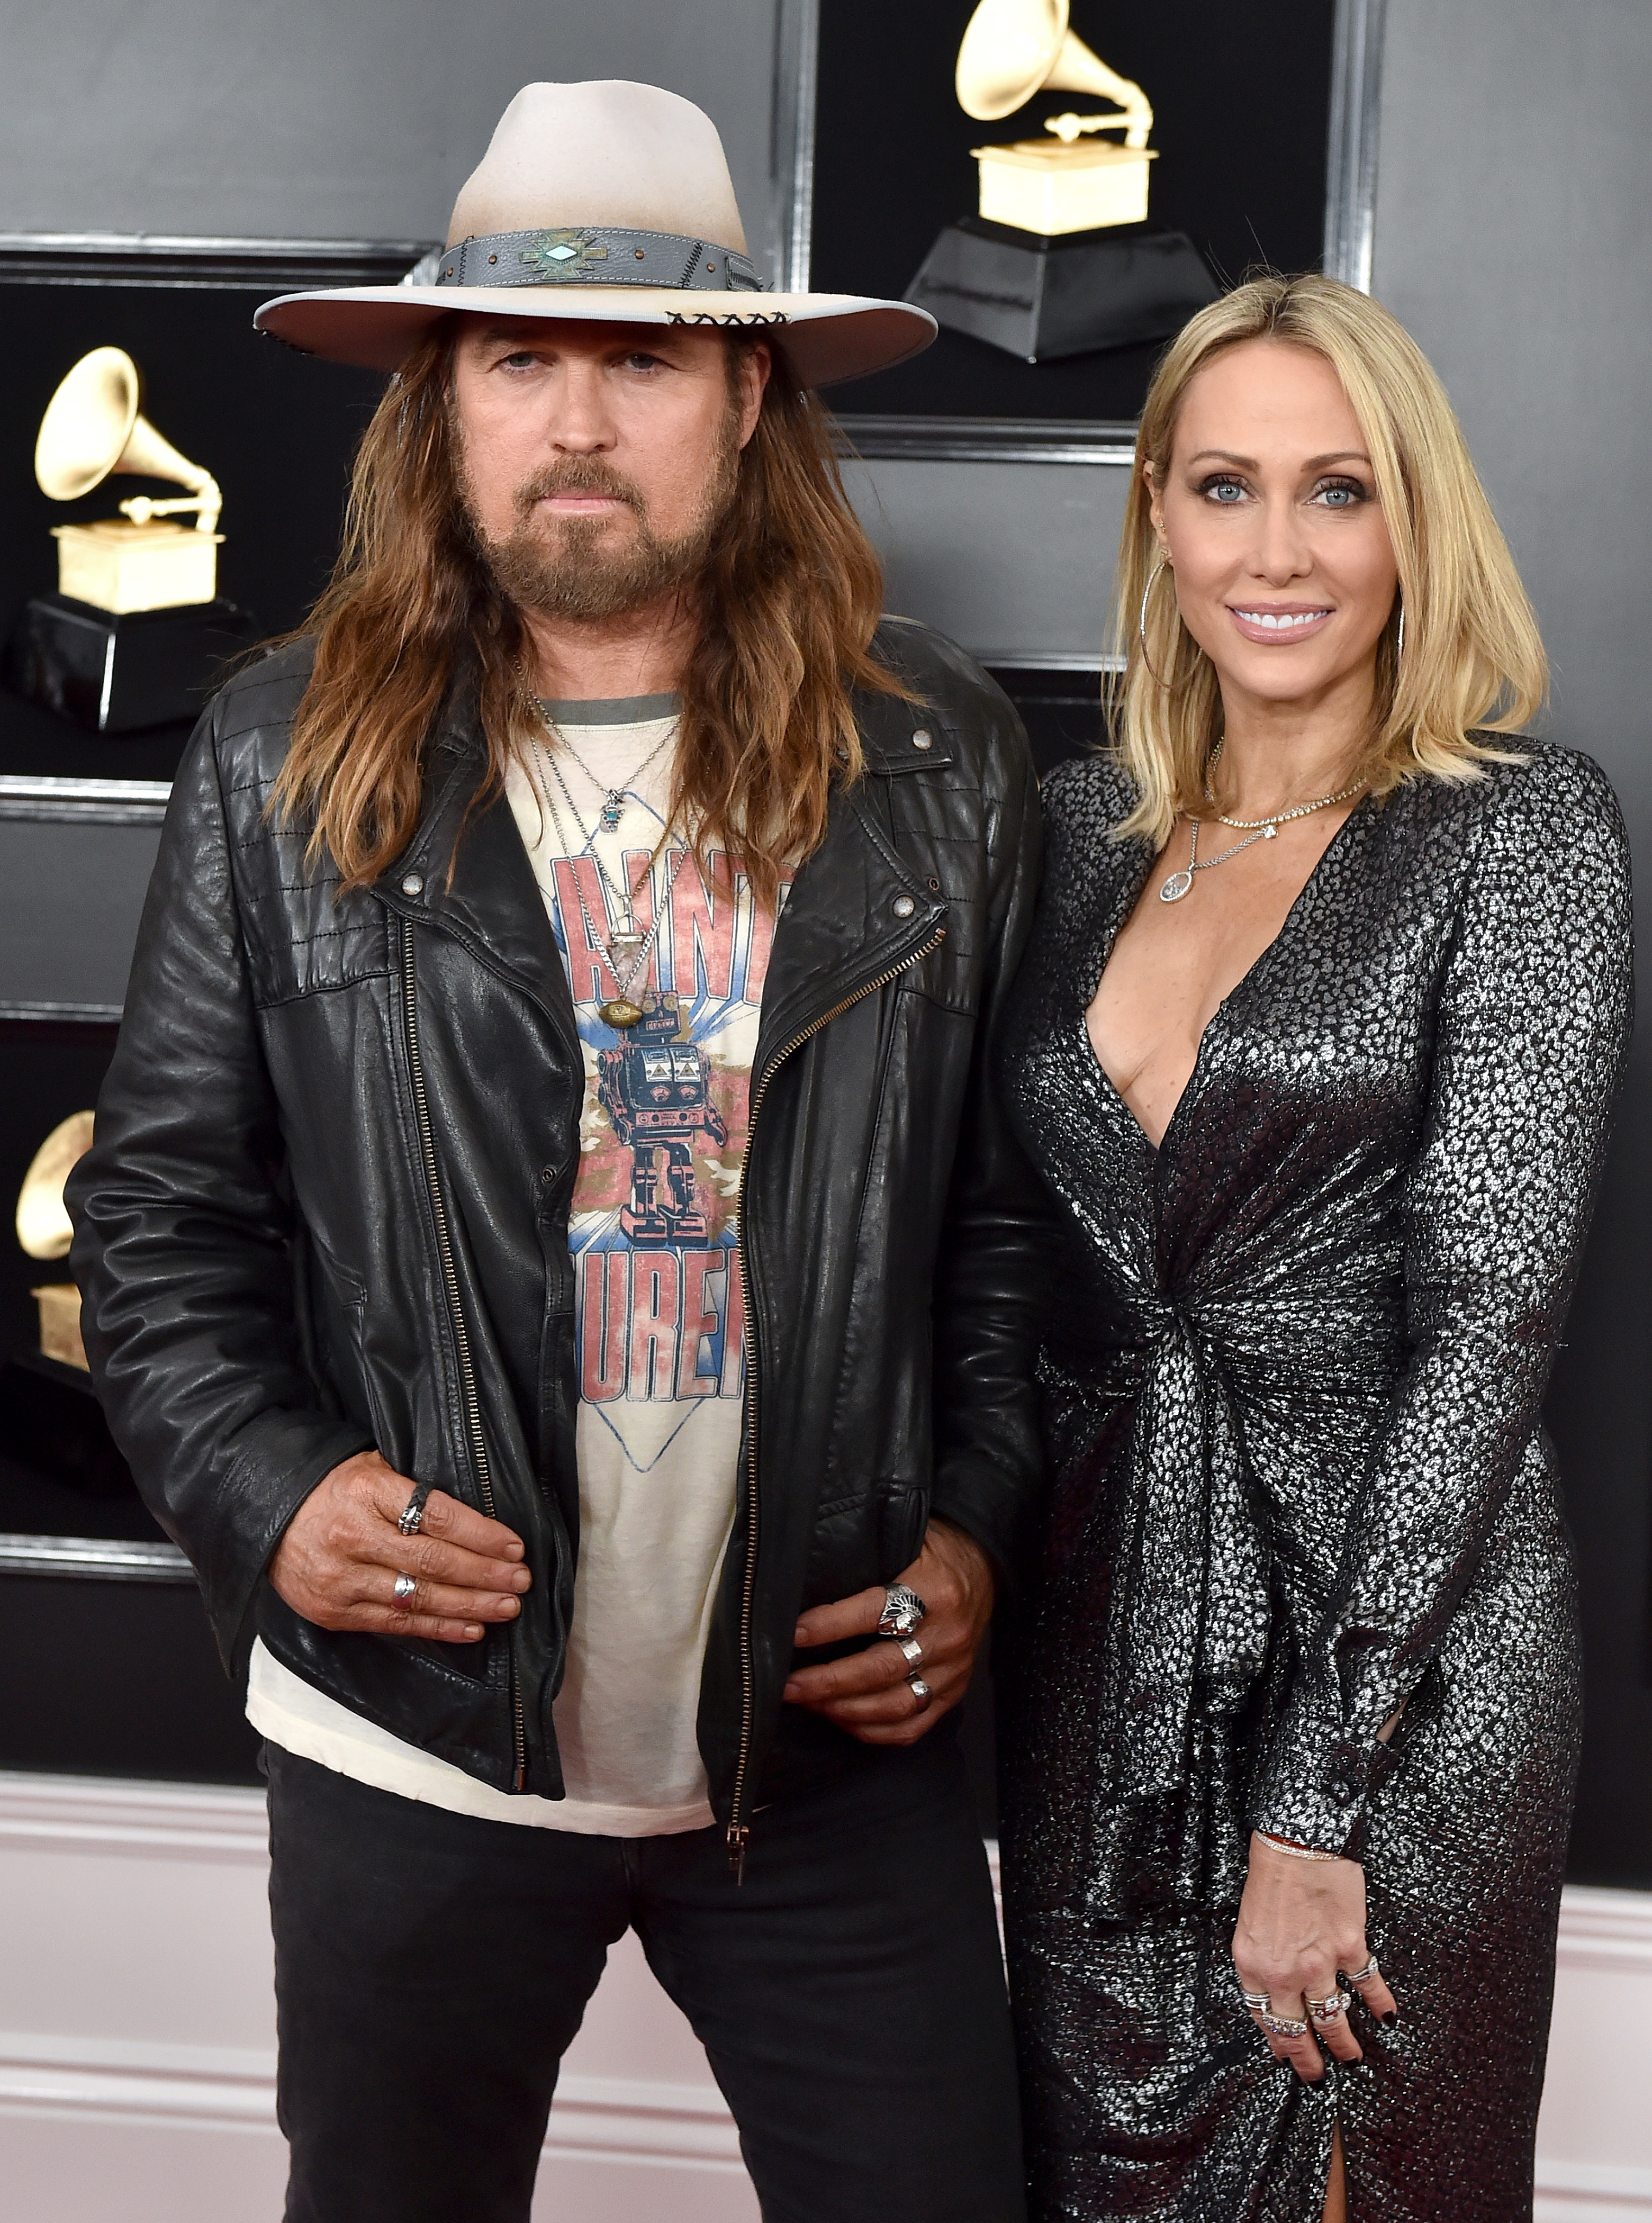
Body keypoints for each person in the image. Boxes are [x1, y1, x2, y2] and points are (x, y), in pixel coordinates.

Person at [68, 80, 1045, 2223]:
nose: (578, 421)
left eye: (643, 360)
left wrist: (967, 1525)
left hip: (823, 1753)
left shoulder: (939, 760)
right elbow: (156, 1221)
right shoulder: (275, 757)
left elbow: (993, 1225)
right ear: (441, 404)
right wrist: (270, 1488)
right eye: (518, 355)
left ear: (749, 395)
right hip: (411, 1740)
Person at [996, 273, 1632, 2222]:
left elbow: (1488, 1326)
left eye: (1336, 492)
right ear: (1157, 521)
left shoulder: (1516, 836)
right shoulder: (1075, 825)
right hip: (1099, 1647)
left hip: (1401, 1669)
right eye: (1223, 487)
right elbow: (1009, 1274)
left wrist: (1315, 1797)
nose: (1275, 552)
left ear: (1412, 523)